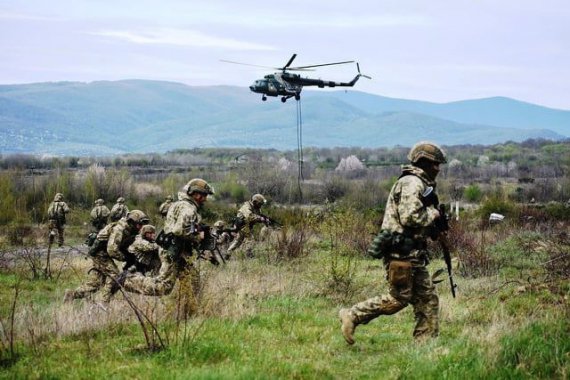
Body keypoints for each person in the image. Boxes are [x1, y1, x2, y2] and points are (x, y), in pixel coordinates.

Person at [339, 141, 447, 344]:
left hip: (413, 254)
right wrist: (433, 214)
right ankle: (352, 315)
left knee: (427, 299)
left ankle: (425, 344)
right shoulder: (412, 183)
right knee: (398, 299)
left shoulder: (420, 183)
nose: (438, 169)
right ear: (423, 162)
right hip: (401, 253)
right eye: (435, 164)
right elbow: (410, 217)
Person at [117, 179, 214, 315]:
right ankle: (126, 280)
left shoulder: (180, 204)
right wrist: (199, 236)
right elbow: (180, 230)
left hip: (179, 251)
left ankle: (190, 312)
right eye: (204, 196)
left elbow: (180, 226)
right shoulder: (188, 208)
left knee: (193, 280)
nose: (205, 199)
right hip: (173, 252)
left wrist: (197, 228)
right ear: (196, 194)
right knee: (163, 286)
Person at [64, 210, 149, 303]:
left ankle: (71, 294)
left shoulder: (130, 230)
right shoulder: (119, 229)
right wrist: (125, 258)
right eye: (139, 224)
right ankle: (104, 303)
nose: (141, 227)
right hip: (101, 253)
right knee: (115, 275)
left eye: (142, 225)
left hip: (104, 253)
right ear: (132, 222)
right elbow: (112, 250)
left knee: (96, 284)